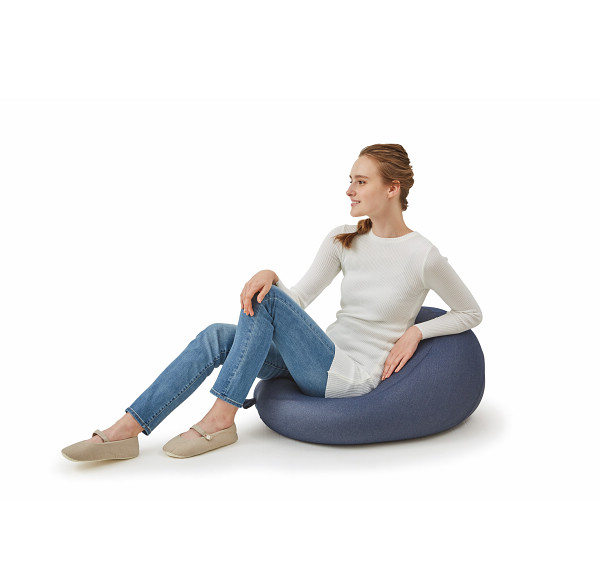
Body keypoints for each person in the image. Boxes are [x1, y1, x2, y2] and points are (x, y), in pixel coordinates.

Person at [61, 143, 483, 462]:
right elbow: (297, 299)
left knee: (268, 301)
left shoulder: (422, 256)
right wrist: (272, 276)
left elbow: (471, 312)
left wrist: (417, 331)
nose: (349, 190)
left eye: (360, 181)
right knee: (217, 335)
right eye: (350, 180)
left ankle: (221, 418)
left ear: (392, 188)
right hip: (319, 359)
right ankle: (127, 429)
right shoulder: (343, 239)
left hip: (349, 377)